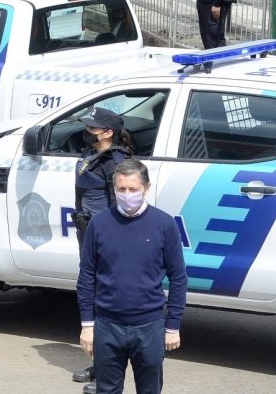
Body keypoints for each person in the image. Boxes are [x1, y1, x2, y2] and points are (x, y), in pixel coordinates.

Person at [77, 159, 186, 394]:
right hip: (107, 325)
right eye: (121, 189)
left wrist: (173, 325)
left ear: (146, 188)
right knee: (106, 390)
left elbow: (178, 277)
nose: (127, 195)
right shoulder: (99, 223)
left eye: (133, 189)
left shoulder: (164, 224)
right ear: (114, 189)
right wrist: (87, 324)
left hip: (149, 327)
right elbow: (86, 275)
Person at [70, 107, 134, 394]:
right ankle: (100, 366)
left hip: (107, 240)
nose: (87, 131)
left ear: (108, 133)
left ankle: (106, 377)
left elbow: (121, 206)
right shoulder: (92, 155)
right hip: (88, 233)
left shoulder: (116, 162)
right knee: (92, 298)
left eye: (93, 128)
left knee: (105, 305)